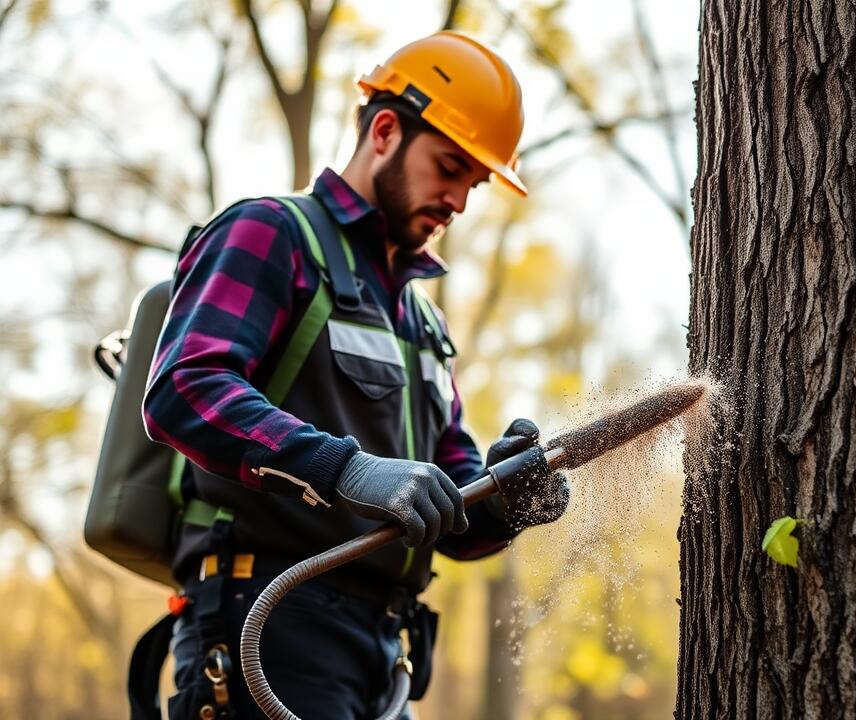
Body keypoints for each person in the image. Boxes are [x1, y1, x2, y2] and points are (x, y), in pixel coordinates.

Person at [140, 31, 569, 719]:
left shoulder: (422, 323)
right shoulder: (272, 233)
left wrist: (504, 500)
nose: (459, 200)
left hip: (383, 657)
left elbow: (450, 505)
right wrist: (345, 469)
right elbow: (183, 389)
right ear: (386, 130)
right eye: (449, 166)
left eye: (475, 183)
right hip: (269, 627)